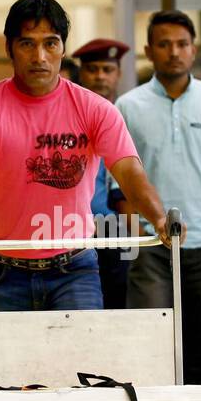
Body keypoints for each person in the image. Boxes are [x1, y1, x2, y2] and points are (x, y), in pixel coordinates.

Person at [0, 0, 169, 313]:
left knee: (78, 363)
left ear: (62, 49)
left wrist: (159, 217)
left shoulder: (96, 109)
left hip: (73, 270)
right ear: (9, 47)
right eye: (27, 44)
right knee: (3, 365)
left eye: (50, 44)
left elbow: (129, 172)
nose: (39, 56)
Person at [116, 11, 201, 384]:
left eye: (182, 44)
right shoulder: (128, 107)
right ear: (149, 50)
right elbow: (117, 186)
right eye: (163, 45)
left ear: (194, 50)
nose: (173, 52)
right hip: (151, 249)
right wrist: (137, 238)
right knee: (151, 357)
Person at [72, 37, 133, 310]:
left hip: (119, 228)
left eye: (107, 70)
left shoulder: (130, 113)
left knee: (119, 308)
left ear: (118, 74)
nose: (100, 76)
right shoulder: (68, 115)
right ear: (81, 73)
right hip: (74, 229)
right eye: (93, 69)